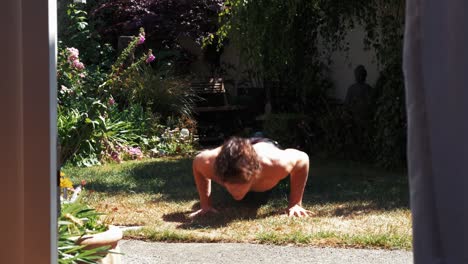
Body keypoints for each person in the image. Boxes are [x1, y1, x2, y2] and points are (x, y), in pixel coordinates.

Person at [190, 137, 311, 218]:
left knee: (259, 198)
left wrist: (295, 203)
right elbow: (197, 162)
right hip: (236, 148)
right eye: (229, 182)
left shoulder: (276, 164)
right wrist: (205, 205)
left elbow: (303, 159)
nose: (234, 190)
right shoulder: (208, 162)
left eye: (241, 183)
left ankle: (257, 136)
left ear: (255, 173)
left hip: (265, 145)